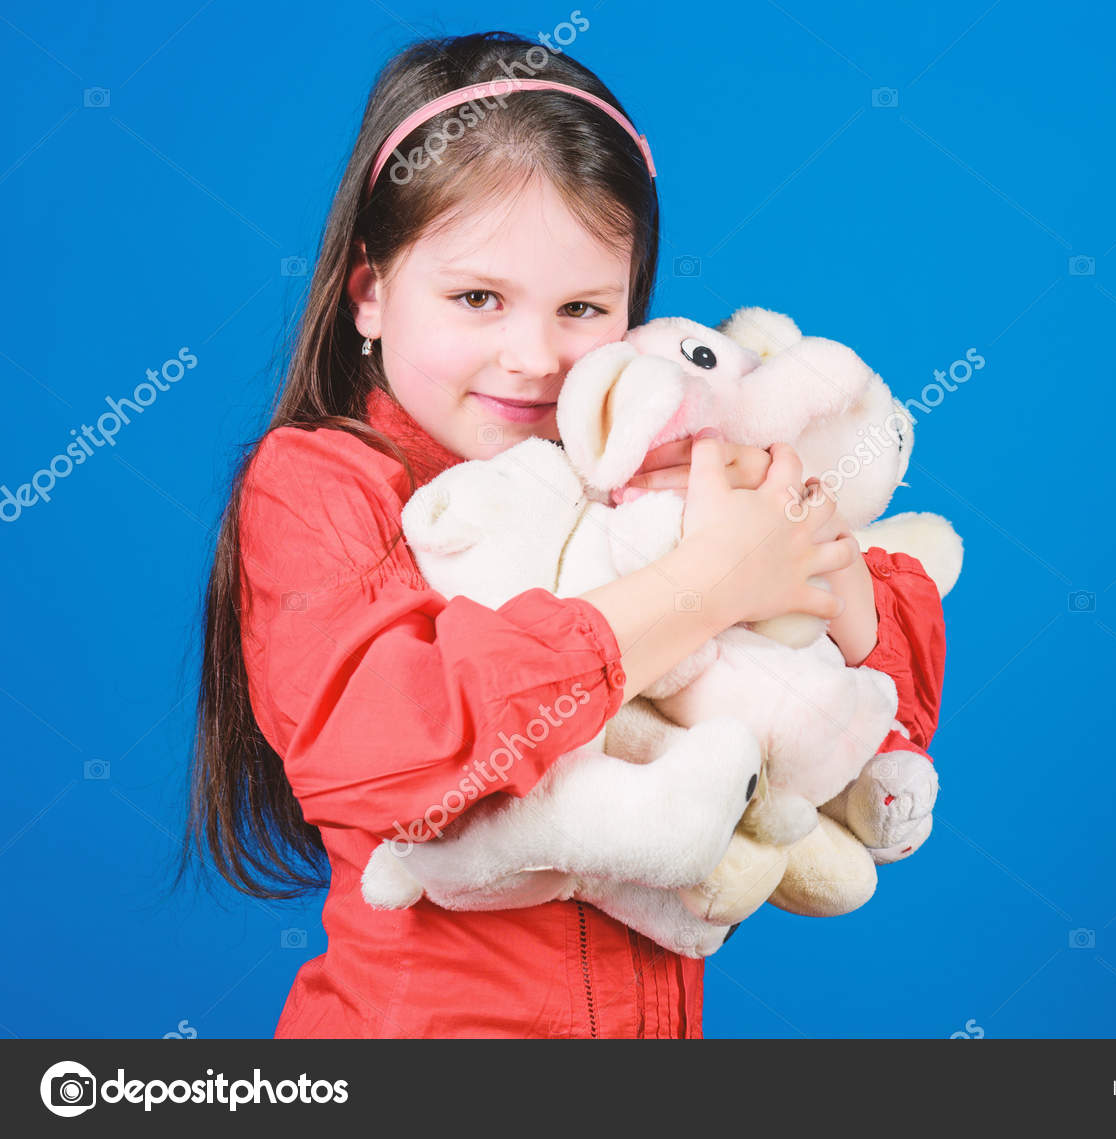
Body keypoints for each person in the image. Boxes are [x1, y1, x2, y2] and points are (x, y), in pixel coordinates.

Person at [177, 31, 946, 1038]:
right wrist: (704, 586)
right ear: (370, 292)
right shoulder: (320, 484)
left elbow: (851, 713)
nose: (534, 355)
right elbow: (381, 750)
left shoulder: (648, 465)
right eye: (476, 298)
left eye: (582, 306)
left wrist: (827, 579)